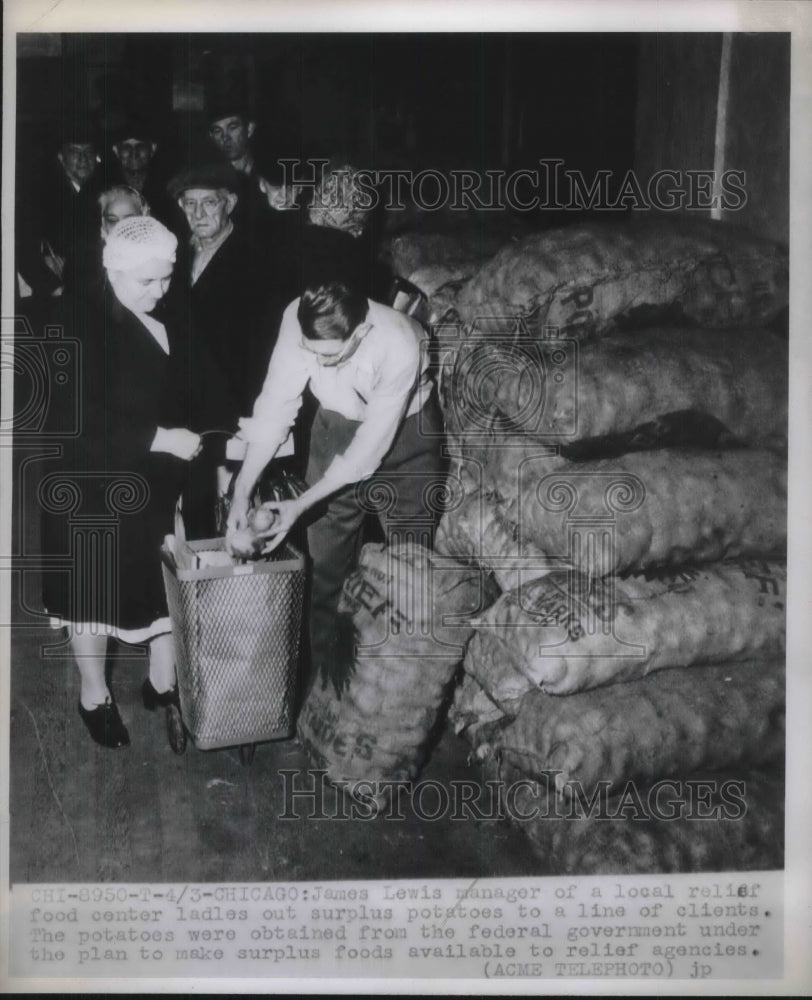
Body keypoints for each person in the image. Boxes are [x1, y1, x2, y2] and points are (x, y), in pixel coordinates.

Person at [40, 216, 232, 749]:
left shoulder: (173, 309)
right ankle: (93, 695)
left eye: (167, 278)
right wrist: (156, 437)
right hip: (93, 484)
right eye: (145, 282)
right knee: (94, 596)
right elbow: (67, 418)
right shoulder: (75, 320)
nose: (159, 291)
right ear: (112, 270)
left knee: (161, 582)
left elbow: (206, 384)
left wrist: (232, 437)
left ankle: (161, 683)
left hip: (160, 482)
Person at [226, 281, 445, 693]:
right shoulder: (298, 320)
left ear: (359, 334)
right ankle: (323, 689)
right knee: (324, 566)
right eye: (309, 350)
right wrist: (242, 489)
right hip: (336, 426)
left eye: (327, 355)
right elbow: (276, 406)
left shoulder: (399, 343)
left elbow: (369, 449)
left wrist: (299, 504)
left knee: (408, 569)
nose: (314, 361)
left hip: (407, 435)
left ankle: (385, 692)